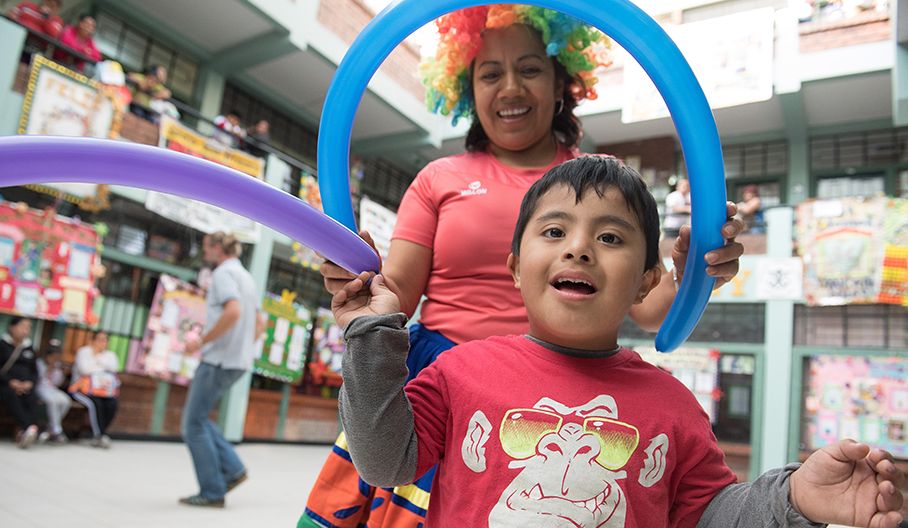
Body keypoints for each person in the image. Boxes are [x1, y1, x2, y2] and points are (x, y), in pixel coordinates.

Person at [300, 7, 745, 527]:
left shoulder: (598, 187)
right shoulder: (438, 177)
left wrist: (694, 269)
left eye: (530, 69)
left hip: (556, 398)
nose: (510, 87)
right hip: (439, 385)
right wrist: (358, 285)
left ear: (562, 82)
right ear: (468, 90)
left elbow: (652, 311)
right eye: (490, 74)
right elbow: (395, 291)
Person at [334, 156, 906, 528]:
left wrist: (796, 497)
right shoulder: (461, 372)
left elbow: (710, 513)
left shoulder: (673, 404)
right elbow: (384, 461)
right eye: (554, 231)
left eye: (610, 237)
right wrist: (369, 336)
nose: (578, 249)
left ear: (649, 280)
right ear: (514, 266)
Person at [179, 231, 257, 508]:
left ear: (217, 248)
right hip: (238, 361)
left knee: (192, 424)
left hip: (218, 360)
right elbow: (259, 322)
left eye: (206, 247)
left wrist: (202, 340)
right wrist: (243, 347)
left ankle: (212, 491)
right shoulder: (246, 277)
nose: (204, 253)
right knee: (200, 418)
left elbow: (233, 311)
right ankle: (233, 468)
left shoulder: (223, 274)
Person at [0, 316, 40, 449]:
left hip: (25, 384)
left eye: (28, 327)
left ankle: (27, 430)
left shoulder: (29, 347)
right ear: (12, 327)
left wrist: (29, 383)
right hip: (5, 384)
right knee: (11, 396)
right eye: (23, 326)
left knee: (32, 397)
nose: (26, 330)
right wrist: (10, 381)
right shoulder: (1, 345)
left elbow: (35, 371)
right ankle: (29, 428)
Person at [69, 331, 120, 448]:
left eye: (105, 340)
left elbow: (114, 368)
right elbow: (85, 370)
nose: (102, 343)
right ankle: (99, 435)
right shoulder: (84, 352)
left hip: (104, 391)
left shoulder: (110, 355)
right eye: (99, 339)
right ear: (92, 340)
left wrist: (98, 360)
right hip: (82, 390)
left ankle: (100, 433)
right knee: (95, 404)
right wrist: (101, 366)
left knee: (112, 404)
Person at [35, 338, 71, 444]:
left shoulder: (57, 366)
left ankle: (51, 428)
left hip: (53, 389)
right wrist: (48, 369)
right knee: (52, 402)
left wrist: (60, 372)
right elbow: (37, 379)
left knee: (65, 401)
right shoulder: (39, 363)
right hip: (40, 388)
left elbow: (57, 383)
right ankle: (57, 431)